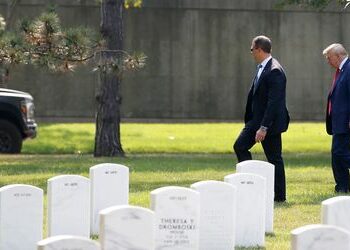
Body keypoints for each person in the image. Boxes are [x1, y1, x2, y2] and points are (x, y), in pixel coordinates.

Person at [233, 35, 290, 202]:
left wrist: (264, 127)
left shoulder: (274, 70)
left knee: (274, 159)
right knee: (240, 146)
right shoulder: (262, 67)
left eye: (252, 49)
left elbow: (274, 103)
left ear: (259, 49)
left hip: (268, 123)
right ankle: (251, 185)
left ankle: (279, 197)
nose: (251, 53)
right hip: (256, 120)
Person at [323, 43, 350, 193]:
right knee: (336, 154)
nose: (328, 61)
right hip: (338, 122)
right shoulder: (341, 70)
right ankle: (343, 186)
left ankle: (343, 186)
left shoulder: (349, 69)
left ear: (339, 56)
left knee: (340, 154)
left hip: (345, 121)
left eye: (329, 57)